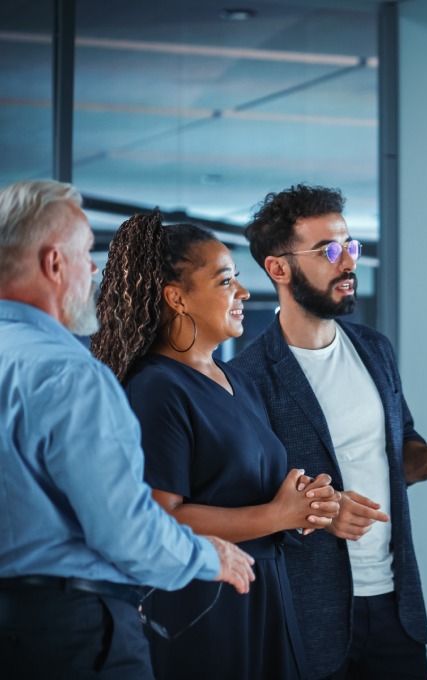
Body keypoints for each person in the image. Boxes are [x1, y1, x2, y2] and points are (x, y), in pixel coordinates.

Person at [231, 184, 427, 679]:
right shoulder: (248, 377)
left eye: (350, 246)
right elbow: (248, 503)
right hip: (308, 616)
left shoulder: (375, 350)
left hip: (395, 607)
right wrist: (322, 513)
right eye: (328, 251)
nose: (347, 262)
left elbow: (399, 454)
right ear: (279, 268)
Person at [0, 179, 256, 680]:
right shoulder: (67, 372)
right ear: (54, 264)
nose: (93, 270)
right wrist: (209, 558)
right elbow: (125, 529)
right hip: (68, 636)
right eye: (84, 254)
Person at [90, 210, 342, 679]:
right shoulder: (156, 389)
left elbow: (244, 488)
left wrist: (305, 505)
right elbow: (161, 518)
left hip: (265, 594)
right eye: (226, 281)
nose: (244, 293)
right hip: (205, 608)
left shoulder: (236, 381)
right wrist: (275, 515)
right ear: (177, 298)